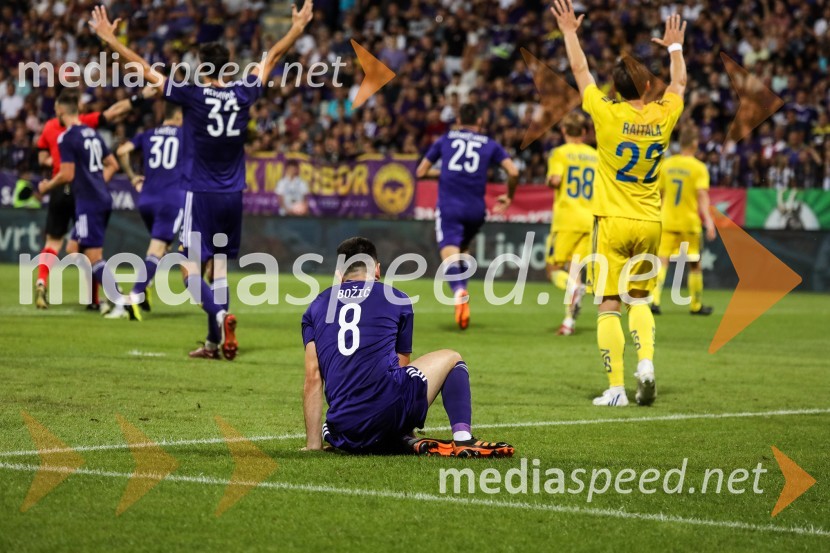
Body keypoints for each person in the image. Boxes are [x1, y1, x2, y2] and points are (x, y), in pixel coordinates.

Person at [89, 1, 314, 359]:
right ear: (228, 66)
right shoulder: (243, 93)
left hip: (200, 194)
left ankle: (221, 316)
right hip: (232, 196)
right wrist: (298, 29)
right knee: (220, 268)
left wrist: (109, 40)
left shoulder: (191, 95)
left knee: (188, 270)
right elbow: (272, 57)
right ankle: (214, 342)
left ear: (201, 66)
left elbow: (144, 70)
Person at [551, 0, 686, 406]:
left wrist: (570, 32)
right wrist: (675, 48)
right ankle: (646, 362)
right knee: (640, 299)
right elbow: (679, 85)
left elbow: (579, 71)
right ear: (648, 87)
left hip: (610, 221)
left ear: (616, 90)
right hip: (650, 220)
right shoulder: (664, 114)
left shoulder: (605, 113)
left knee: (608, 304)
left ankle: (615, 389)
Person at [301, 237, 515, 457]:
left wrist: (313, 445)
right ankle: (462, 439)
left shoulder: (316, 306)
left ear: (339, 274)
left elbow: (313, 377)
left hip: (344, 431)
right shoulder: (397, 299)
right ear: (377, 269)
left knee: (345, 414)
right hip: (387, 415)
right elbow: (401, 367)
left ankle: (392, 440)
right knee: (452, 357)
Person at [34, 88, 146, 311]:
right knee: (76, 247)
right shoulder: (93, 133)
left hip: (84, 199)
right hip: (99, 196)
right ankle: (96, 299)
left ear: (60, 111)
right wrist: (96, 183)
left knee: (90, 255)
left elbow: (66, 174)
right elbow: (112, 164)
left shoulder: (65, 136)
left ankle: (119, 301)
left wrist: (47, 186)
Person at [415, 103, 520, 330]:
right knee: (463, 250)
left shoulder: (445, 140)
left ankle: (459, 291)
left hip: (450, 206)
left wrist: (444, 173)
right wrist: (509, 196)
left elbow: (420, 172)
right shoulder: (489, 144)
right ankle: (462, 289)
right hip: (476, 209)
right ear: (480, 121)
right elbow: (513, 171)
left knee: (449, 253)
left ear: (459, 120)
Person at [115, 102, 185, 320]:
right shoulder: (186, 135)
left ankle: (146, 288)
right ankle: (135, 294)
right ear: (179, 115)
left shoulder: (148, 134)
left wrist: (133, 177)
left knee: (162, 247)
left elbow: (122, 151)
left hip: (146, 199)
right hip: (171, 199)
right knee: (157, 250)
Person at [652, 126, 716, 316]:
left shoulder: (667, 164)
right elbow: (702, 196)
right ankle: (696, 305)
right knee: (694, 263)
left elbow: (660, 195)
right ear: (695, 143)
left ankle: (654, 301)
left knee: (661, 261)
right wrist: (710, 221)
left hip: (667, 220)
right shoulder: (699, 167)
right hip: (689, 223)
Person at [545, 112, 597, 336]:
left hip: (566, 219)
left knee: (553, 269)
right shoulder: (596, 156)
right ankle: (568, 323)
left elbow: (555, 180)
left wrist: (550, 180)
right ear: (584, 132)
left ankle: (573, 289)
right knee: (576, 270)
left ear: (564, 131)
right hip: (589, 220)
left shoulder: (560, 153)